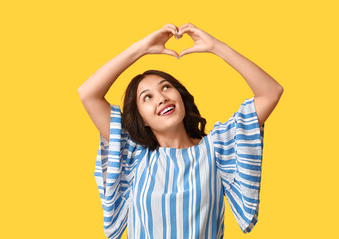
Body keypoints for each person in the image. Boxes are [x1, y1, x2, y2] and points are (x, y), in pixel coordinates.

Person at [78, 23, 283, 239]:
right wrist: (141, 48)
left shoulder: (216, 150)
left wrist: (216, 47)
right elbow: (88, 94)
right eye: (147, 97)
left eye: (166, 87)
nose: (162, 98)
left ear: (181, 97)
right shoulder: (134, 156)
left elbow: (271, 92)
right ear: (142, 119)